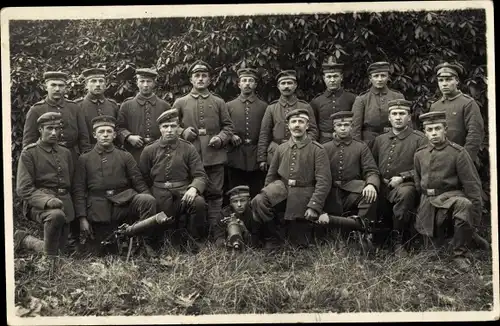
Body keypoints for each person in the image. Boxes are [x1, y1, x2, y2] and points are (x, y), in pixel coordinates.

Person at [73, 115, 157, 255]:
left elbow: (138, 182)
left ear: (114, 135)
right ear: (94, 135)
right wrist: (82, 219)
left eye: (109, 131)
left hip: (123, 203)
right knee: (102, 251)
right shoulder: (84, 159)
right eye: (101, 132)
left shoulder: (125, 156)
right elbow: (79, 190)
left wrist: (149, 203)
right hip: (98, 208)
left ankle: (145, 243)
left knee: (147, 200)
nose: (105, 135)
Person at [414, 111, 486, 271]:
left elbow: (472, 186)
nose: (434, 133)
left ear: (445, 129)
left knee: (464, 205)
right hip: (428, 203)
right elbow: (418, 183)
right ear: (425, 132)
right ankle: (463, 239)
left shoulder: (458, 153)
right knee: (431, 254)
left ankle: (459, 254)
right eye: (430, 129)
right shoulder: (420, 154)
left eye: (437, 128)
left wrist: (473, 220)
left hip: (450, 199)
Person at [252, 108, 331, 248]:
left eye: (301, 122)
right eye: (293, 122)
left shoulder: (317, 150)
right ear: (288, 126)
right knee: (259, 201)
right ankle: (273, 237)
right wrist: (267, 192)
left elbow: (324, 181)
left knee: (298, 244)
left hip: (304, 193)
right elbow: (271, 175)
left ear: (307, 126)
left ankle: (290, 236)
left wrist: (314, 206)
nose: (297, 125)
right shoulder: (281, 148)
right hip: (281, 189)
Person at [172, 60, 234, 237]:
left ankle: (215, 232)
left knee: (215, 194)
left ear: (209, 80)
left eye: (204, 76)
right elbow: (170, 126)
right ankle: (192, 233)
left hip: (214, 156)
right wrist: (183, 132)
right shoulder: (181, 102)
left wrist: (221, 138)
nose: (200, 79)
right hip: (189, 156)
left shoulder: (218, 102)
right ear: (191, 80)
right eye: (196, 76)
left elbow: (228, 127)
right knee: (192, 195)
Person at [139, 109, 208, 249]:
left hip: (183, 192)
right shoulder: (149, 150)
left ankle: (195, 242)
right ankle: (155, 244)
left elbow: (200, 174)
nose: (169, 130)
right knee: (158, 220)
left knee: (198, 203)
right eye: (165, 126)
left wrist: (194, 188)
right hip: (159, 193)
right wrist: (149, 195)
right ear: (159, 129)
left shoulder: (188, 148)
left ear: (178, 128)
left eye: (173, 126)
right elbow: (142, 177)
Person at [15, 112, 75, 268]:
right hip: (38, 205)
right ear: (40, 129)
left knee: (60, 251)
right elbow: (23, 188)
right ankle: (48, 263)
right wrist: (47, 201)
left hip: (65, 203)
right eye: (49, 128)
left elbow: (72, 183)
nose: (54, 132)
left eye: (57, 128)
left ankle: (26, 240)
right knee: (55, 215)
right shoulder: (29, 153)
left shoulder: (65, 152)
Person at [371, 99, 427, 256]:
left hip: (406, 184)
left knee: (405, 194)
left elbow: (426, 168)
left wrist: (403, 178)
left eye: (402, 113)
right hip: (383, 184)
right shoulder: (380, 139)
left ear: (409, 117)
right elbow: (371, 165)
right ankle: (375, 238)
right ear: (389, 118)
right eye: (394, 114)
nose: (398, 117)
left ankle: (399, 241)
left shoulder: (419, 138)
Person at [317, 111, 380, 229]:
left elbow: (371, 170)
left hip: (352, 192)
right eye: (339, 126)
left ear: (351, 127)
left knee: (369, 195)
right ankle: (348, 225)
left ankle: (362, 231)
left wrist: (371, 184)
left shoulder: (361, 147)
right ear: (334, 127)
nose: (342, 128)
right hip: (330, 192)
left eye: (346, 125)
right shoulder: (324, 148)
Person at [22, 71, 91, 162]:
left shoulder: (74, 108)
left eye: (61, 85)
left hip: (72, 157)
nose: (57, 89)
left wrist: (85, 159)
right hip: (46, 158)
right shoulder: (36, 110)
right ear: (46, 87)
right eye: (53, 85)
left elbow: (83, 137)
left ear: (66, 88)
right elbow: (29, 141)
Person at [257, 70, 319, 171]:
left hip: (300, 151)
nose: (286, 86)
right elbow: (264, 134)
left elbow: (313, 131)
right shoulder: (271, 108)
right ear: (278, 86)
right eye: (283, 83)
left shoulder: (305, 106)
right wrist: (262, 158)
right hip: (275, 152)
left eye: (289, 83)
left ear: (295, 85)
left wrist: (302, 144)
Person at [429, 62, 484, 166]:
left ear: (457, 81)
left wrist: (464, 160)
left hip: (460, 161)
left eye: (449, 79)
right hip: (439, 160)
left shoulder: (468, 103)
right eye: (441, 80)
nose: (444, 83)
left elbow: (475, 135)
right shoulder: (435, 106)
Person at [225, 68, 268, 199]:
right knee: (235, 190)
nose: (247, 83)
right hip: (235, 154)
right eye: (244, 80)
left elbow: (266, 131)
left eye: (251, 80)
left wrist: (262, 156)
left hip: (256, 155)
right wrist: (231, 135)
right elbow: (223, 126)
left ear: (255, 84)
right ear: (239, 84)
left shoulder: (264, 106)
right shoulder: (229, 106)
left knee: (256, 191)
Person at [116, 68, 171, 163]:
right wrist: (129, 137)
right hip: (134, 154)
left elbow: (171, 128)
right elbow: (119, 128)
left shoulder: (164, 106)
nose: (145, 85)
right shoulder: (127, 105)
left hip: (160, 154)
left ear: (154, 83)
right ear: (137, 83)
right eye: (142, 81)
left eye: (149, 81)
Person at [352, 61, 405, 148]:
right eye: (376, 76)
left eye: (383, 76)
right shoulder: (362, 99)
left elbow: (405, 122)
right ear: (370, 78)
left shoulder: (397, 96)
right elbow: (355, 128)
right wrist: (358, 149)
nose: (379, 79)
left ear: (388, 77)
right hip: (368, 143)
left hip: (393, 140)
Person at [310, 57, 357, 144]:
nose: (332, 80)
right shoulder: (316, 102)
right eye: (329, 77)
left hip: (347, 142)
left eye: (335, 76)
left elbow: (356, 124)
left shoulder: (352, 98)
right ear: (324, 78)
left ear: (341, 77)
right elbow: (313, 127)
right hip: (324, 143)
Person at [75, 67, 119, 145]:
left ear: (105, 85)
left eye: (101, 81)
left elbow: (117, 129)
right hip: (86, 152)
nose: (98, 84)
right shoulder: (77, 106)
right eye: (93, 81)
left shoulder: (112, 105)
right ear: (86, 85)